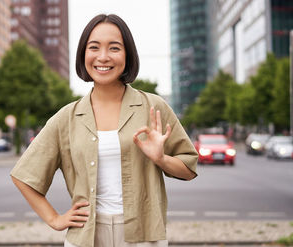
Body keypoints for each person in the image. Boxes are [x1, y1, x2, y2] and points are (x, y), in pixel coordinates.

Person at [11, 14, 198, 247]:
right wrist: (54, 219)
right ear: (83, 54)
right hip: (86, 236)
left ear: (127, 55)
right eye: (94, 47)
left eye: (114, 48)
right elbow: (24, 175)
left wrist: (161, 159)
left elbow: (188, 169)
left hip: (143, 234)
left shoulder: (153, 107)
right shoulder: (66, 118)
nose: (103, 57)